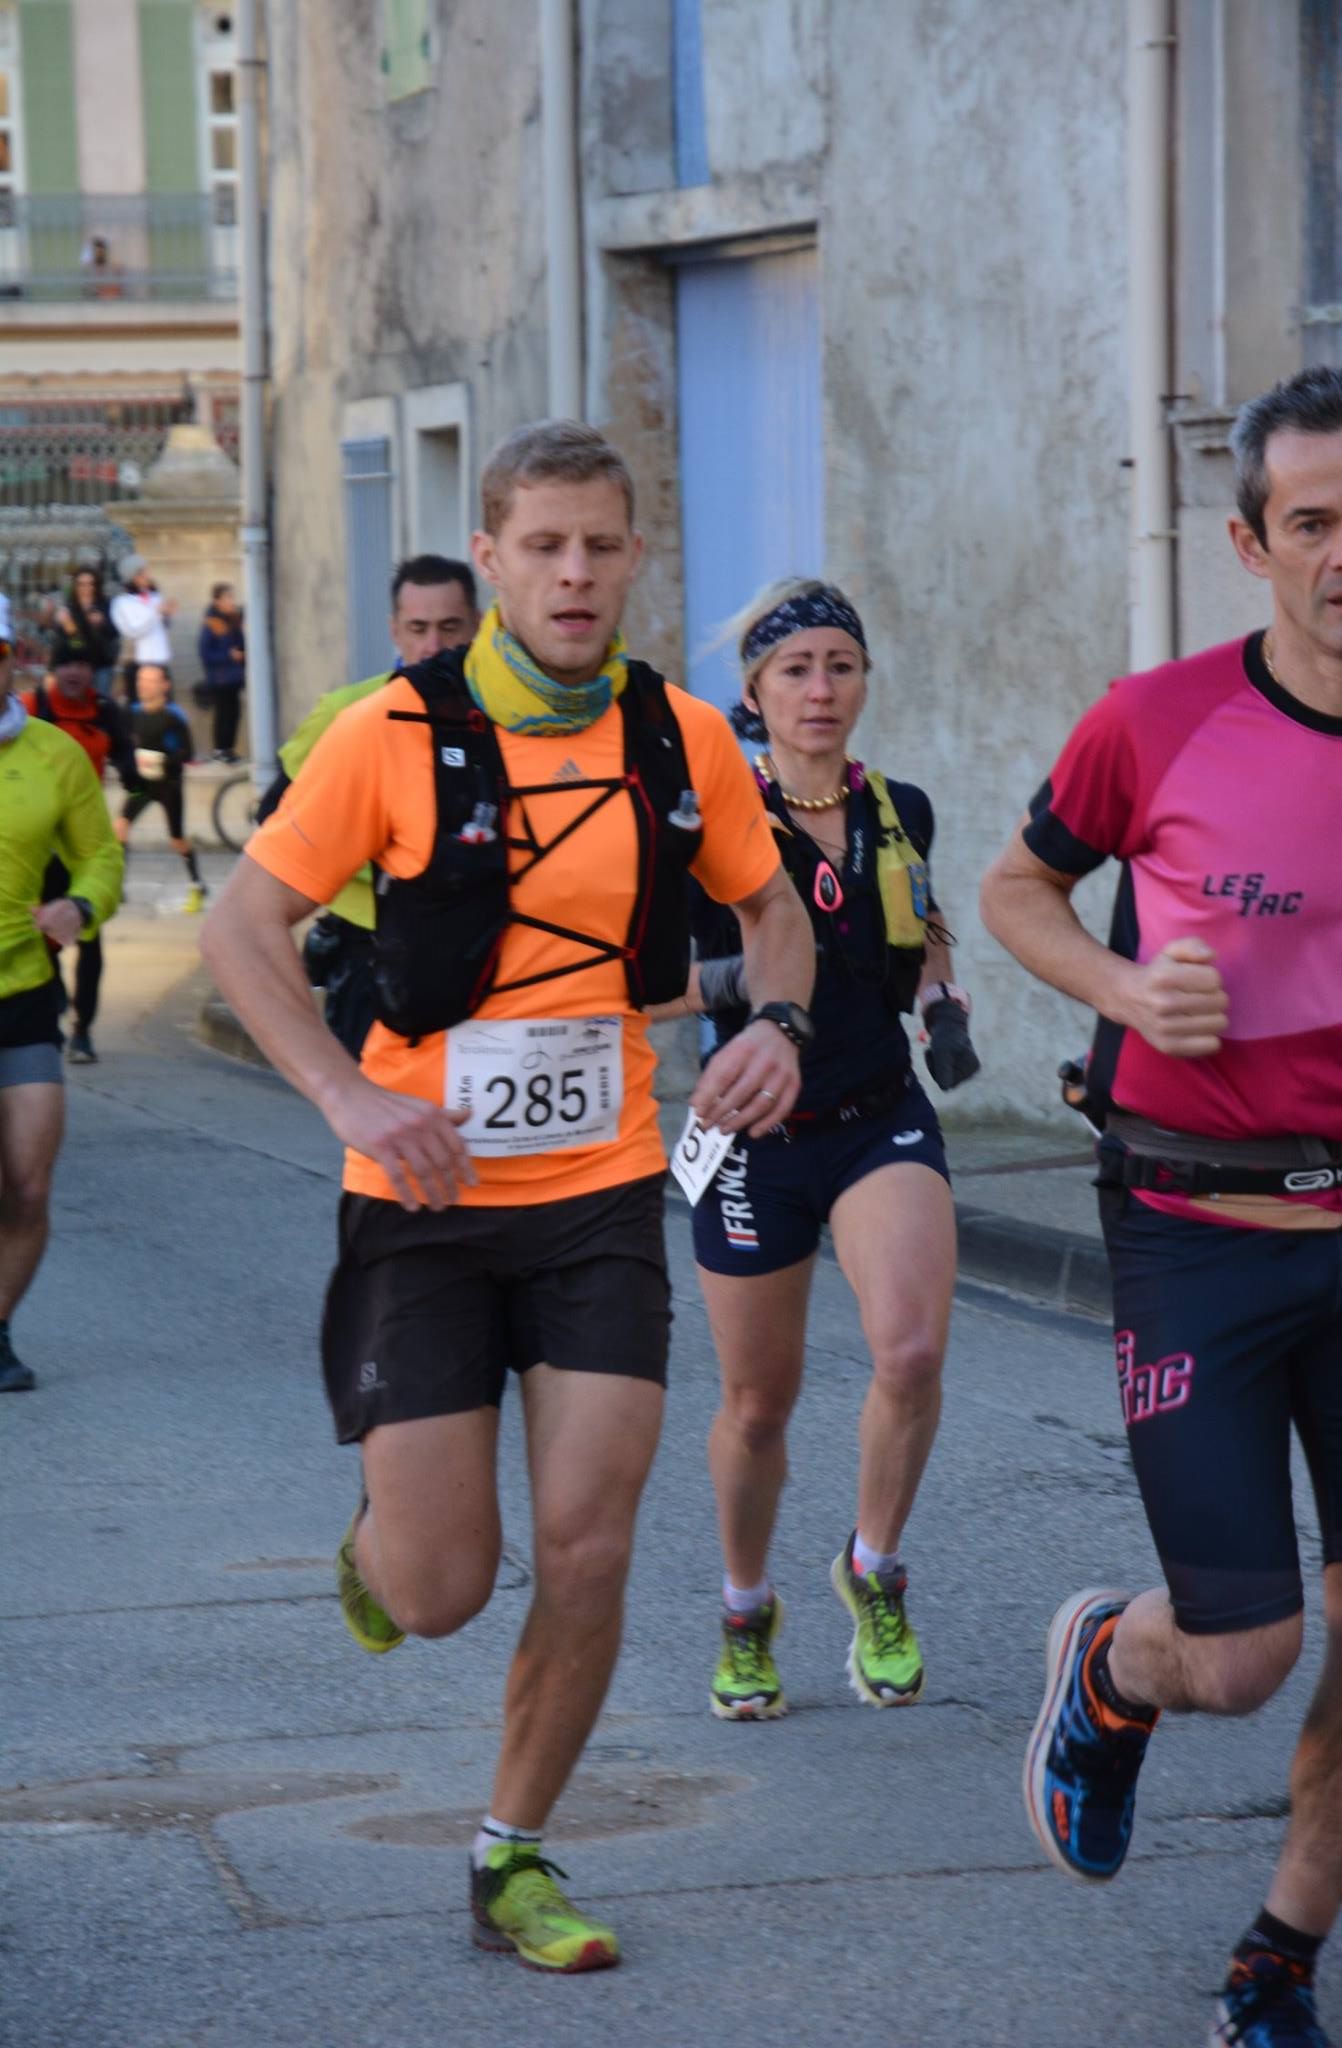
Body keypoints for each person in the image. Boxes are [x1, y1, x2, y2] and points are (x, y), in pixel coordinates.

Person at [202, 419, 815, 1975]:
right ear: (489, 556)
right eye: (542, 544)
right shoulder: (387, 735)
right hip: (419, 1191)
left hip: (600, 1189)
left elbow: (771, 905)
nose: (575, 572)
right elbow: (241, 928)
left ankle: (513, 1855)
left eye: (602, 544)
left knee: (593, 1541)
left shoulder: (679, 733)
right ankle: (378, 1538)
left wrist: (782, 1029)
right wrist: (348, 1094)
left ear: (632, 553)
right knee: (440, 1591)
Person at [979, 364, 1342, 2048]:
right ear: (1251, 539)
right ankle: (1115, 1670)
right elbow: (1016, 888)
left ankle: (1276, 1956)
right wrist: (1127, 990)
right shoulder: (1159, 719)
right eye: (1317, 521)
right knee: (1252, 1649)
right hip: (1197, 1235)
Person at [655, 579, 979, 1721]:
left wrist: (942, 997)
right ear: (754, 691)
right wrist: (746, 980)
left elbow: (923, 921)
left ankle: (873, 1568)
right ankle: (746, 1606)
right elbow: (642, 982)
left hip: (876, 1114)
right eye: (796, 668)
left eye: (841, 664)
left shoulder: (902, 808)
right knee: (758, 1402)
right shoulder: (705, 825)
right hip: (753, 1138)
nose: (821, 687)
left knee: (911, 1352)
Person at [257, 554, 483, 1059]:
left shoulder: (506, 715)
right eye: (417, 628)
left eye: (450, 627)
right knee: (383, 1125)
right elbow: (274, 820)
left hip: (484, 952)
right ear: (394, 631)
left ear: (479, 625)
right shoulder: (349, 712)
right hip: (372, 950)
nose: (433, 646)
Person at [0, 597, 122, 1390]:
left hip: (23, 993)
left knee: (29, 1180)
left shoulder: (52, 754)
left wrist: (80, 906)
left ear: (12, 656)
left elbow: (100, 858)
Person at [20, 659, 134, 1064]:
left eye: (83, 665)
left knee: (90, 937)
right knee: (39, 934)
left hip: (84, 842)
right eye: (65, 664)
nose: (74, 673)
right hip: (37, 846)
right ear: (53, 670)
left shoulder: (104, 711)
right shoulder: (33, 707)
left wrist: (125, 816)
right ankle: (49, 998)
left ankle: (83, 1031)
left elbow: (135, 773)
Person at [118, 664, 205, 913]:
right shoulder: (131, 713)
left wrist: (163, 761)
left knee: (177, 839)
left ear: (164, 686)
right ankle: (118, 887)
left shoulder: (172, 717)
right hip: (141, 786)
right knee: (121, 827)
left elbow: (187, 752)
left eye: (150, 680)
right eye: (140, 679)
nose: (143, 685)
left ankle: (197, 885)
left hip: (168, 785)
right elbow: (122, 743)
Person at [111, 557, 175, 700]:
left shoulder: (155, 597)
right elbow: (133, 631)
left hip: (161, 662)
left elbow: (161, 629)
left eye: (147, 572)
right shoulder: (121, 603)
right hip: (138, 664)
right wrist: (157, 613)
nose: (148, 576)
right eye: (142, 573)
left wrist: (167, 615)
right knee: (140, 708)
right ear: (132, 577)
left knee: (166, 706)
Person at [197, 582, 246, 762]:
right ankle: (220, 749)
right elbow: (205, 654)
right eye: (227, 598)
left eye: (232, 597)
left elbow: (240, 644)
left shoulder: (233, 620)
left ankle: (229, 749)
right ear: (217, 601)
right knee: (223, 714)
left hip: (234, 677)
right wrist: (229, 655)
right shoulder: (211, 623)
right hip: (219, 678)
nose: (231, 601)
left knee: (234, 713)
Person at [52, 569, 121, 696]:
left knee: (100, 702)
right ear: (75, 586)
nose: (86, 588)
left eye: (90, 583)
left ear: (96, 585)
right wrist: (65, 626)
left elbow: (115, 633)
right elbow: (68, 642)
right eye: (81, 584)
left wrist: (102, 623)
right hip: (78, 666)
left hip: (102, 664)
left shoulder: (105, 605)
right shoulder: (69, 608)